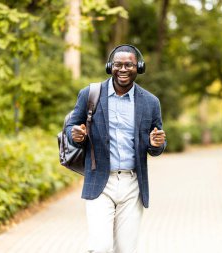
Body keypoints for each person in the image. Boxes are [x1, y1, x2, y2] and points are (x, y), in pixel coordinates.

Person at [66, 44, 166, 253]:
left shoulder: (150, 102)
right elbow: (71, 127)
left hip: (132, 184)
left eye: (128, 65)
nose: (123, 69)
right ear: (110, 66)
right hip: (99, 180)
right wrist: (75, 134)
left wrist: (156, 144)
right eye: (118, 64)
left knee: (125, 249)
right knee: (100, 247)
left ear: (138, 67)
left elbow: (156, 143)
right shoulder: (90, 94)